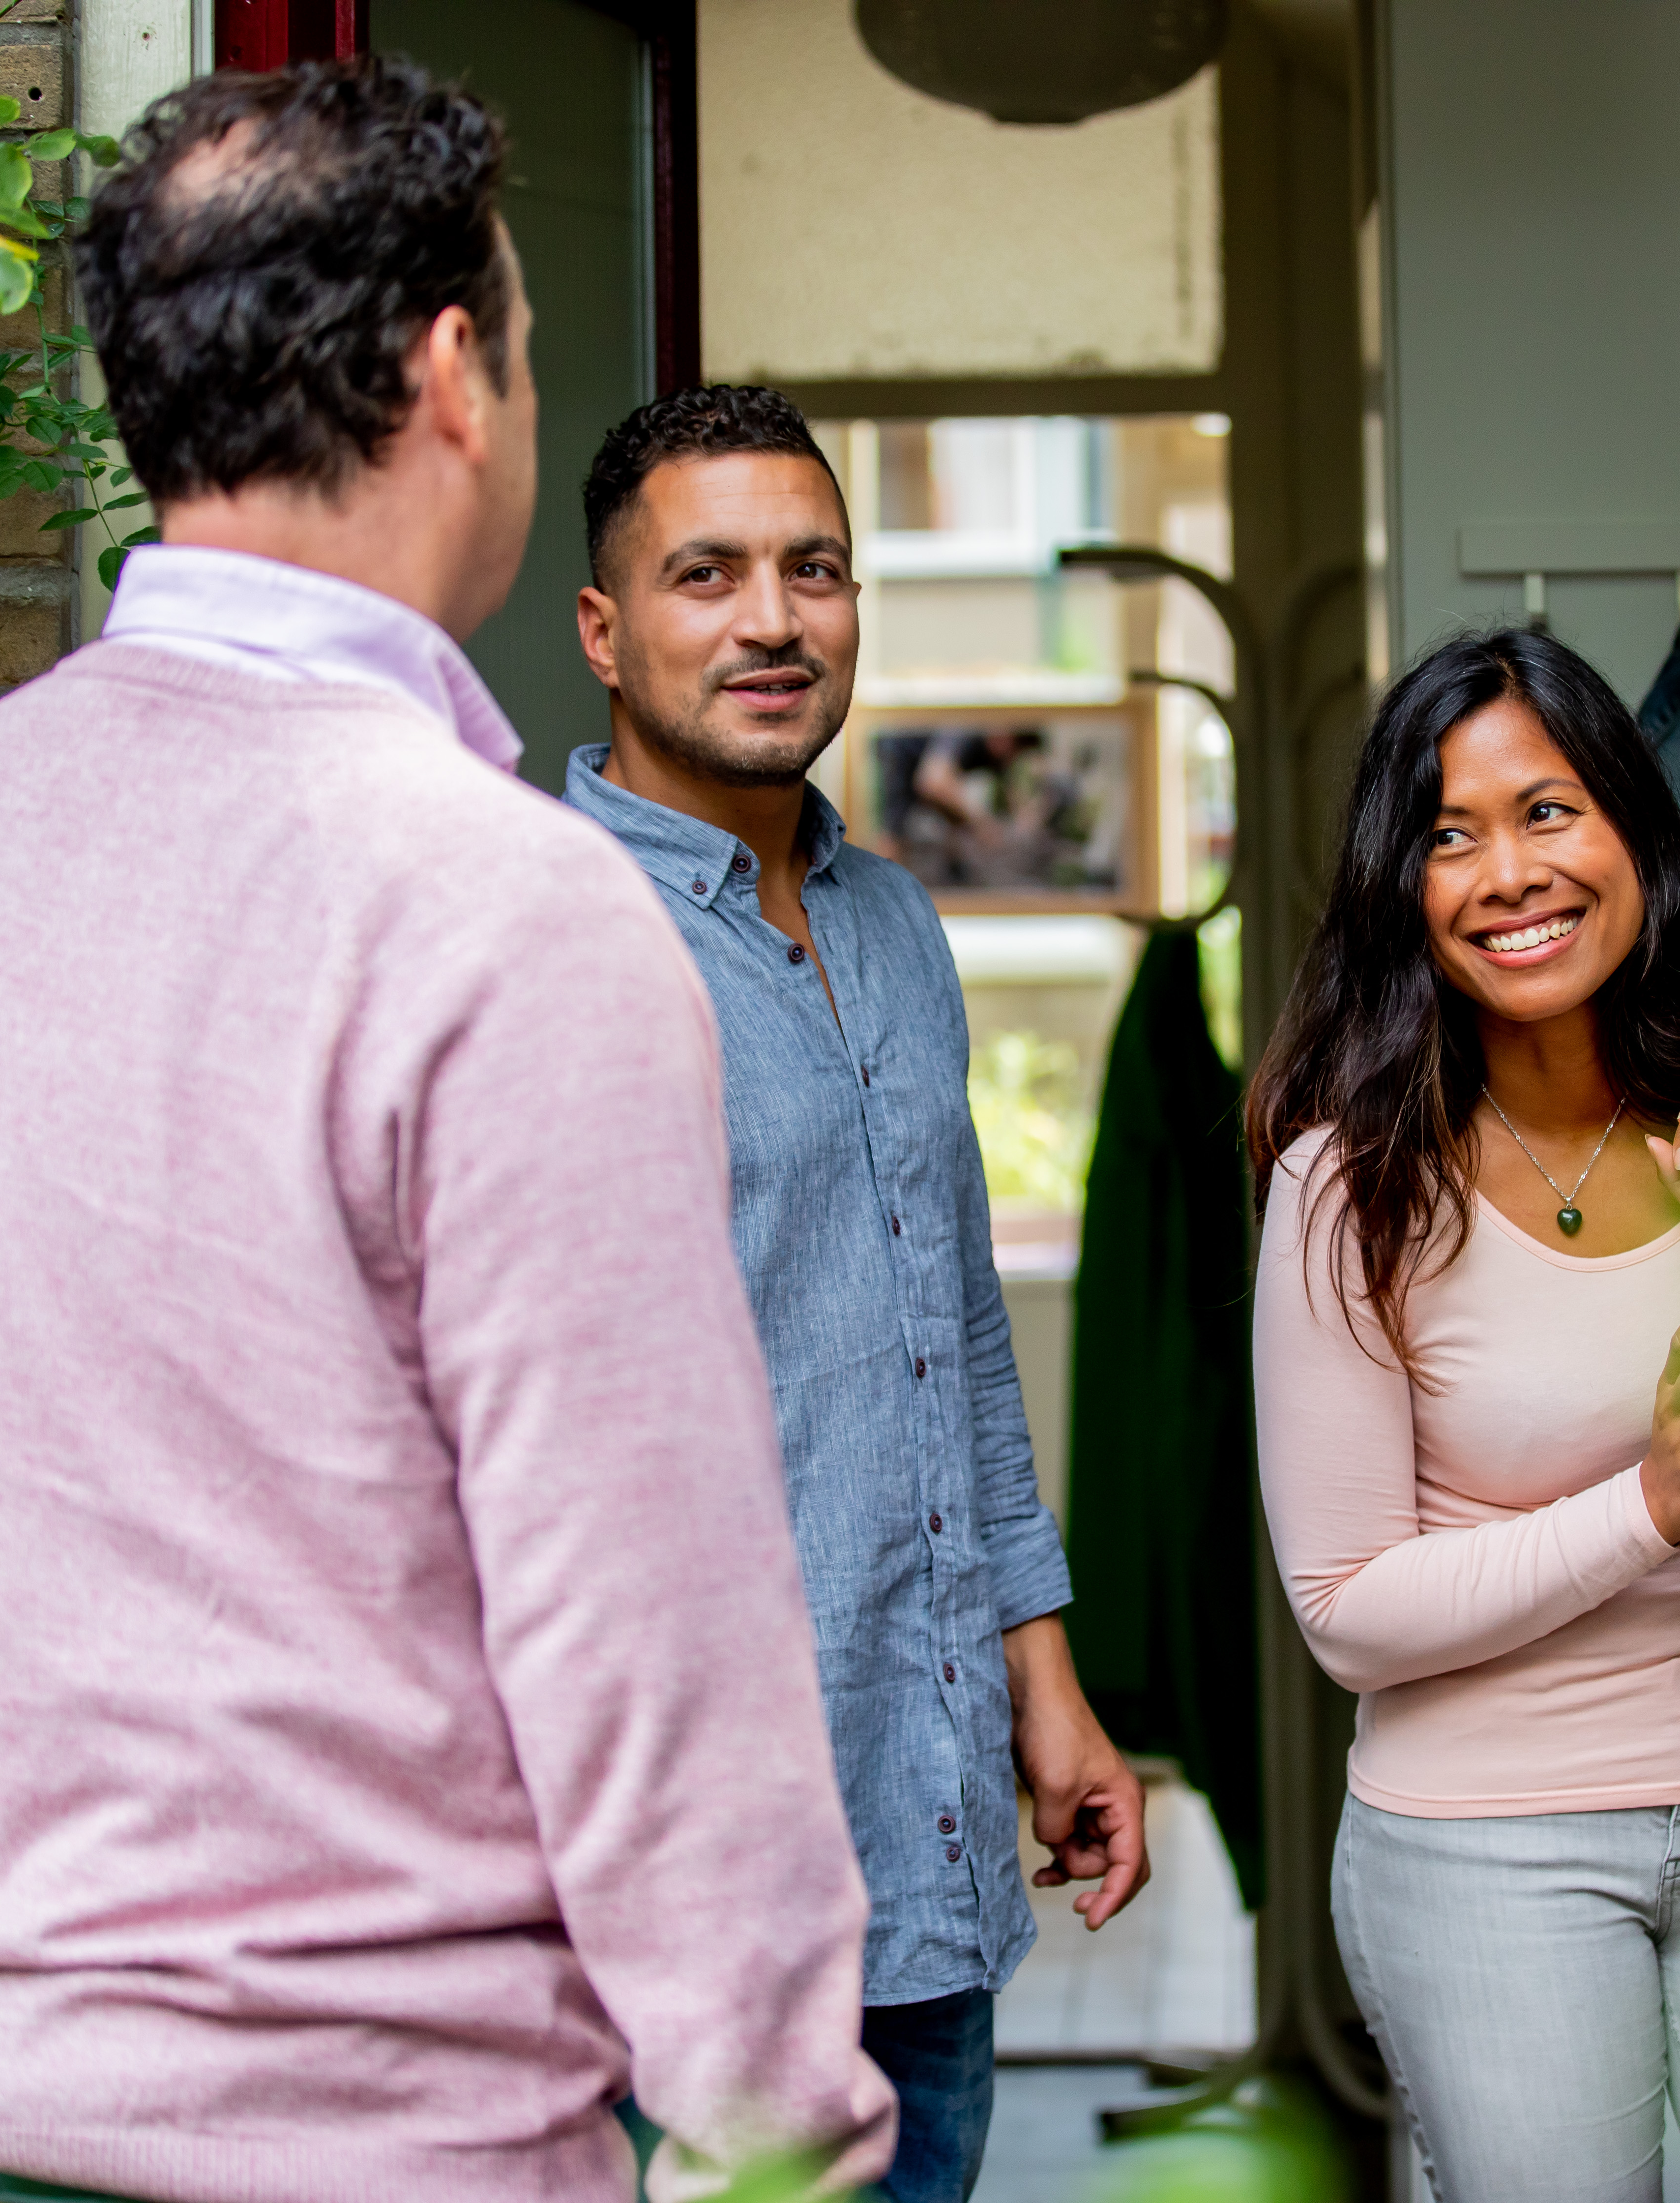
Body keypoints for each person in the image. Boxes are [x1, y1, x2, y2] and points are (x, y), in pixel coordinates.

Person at [0, 63, 892, 2203]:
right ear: (457, 370)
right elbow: (648, 1627)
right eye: (533, 342)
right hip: (347, 2143)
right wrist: (779, 2135)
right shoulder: (494, 909)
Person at [562, 384, 1149, 2203]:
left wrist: (1040, 1675)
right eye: (709, 574)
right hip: (690, 1902)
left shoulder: (892, 922)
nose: (772, 620)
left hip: (931, 1837)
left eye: (813, 569)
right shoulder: (547, 937)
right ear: (605, 628)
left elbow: (950, 1330)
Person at [1247, 628, 1680, 2203]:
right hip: (1489, 1849)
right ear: (1400, 886)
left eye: (1548, 812)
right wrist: (1653, 1506)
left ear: (1633, 827)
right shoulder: (1352, 1187)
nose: (1507, 873)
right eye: (1448, 833)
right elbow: (1347, 1611)